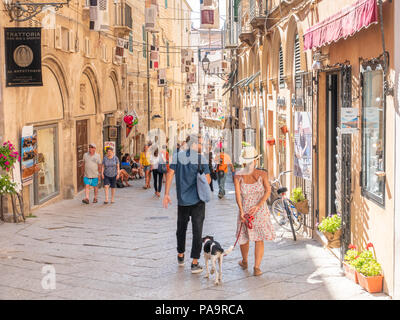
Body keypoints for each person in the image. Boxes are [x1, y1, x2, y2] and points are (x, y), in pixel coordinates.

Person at [163, 134, 211, 274]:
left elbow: (170, 173)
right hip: (198, 201)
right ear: (194, 145)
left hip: (182, 201)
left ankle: (180, 255)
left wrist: (166, 194)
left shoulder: (178, 156)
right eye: (200, 143)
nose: (201, 146)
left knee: (181, 229)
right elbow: (207, 180)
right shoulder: (200, 158)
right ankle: (195, 263)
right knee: (197, 231)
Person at [233, 146, 276, 277]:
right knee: (259, 239)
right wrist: (258, 206)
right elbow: (268, 190)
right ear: (256, 161)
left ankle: (245, 262)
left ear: (244, 161)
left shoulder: (238, 175)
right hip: (259, 210)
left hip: (247, 210)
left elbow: (238, 195)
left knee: (244, 238)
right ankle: (256, 267)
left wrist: (241, 211)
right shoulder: (262, 174)